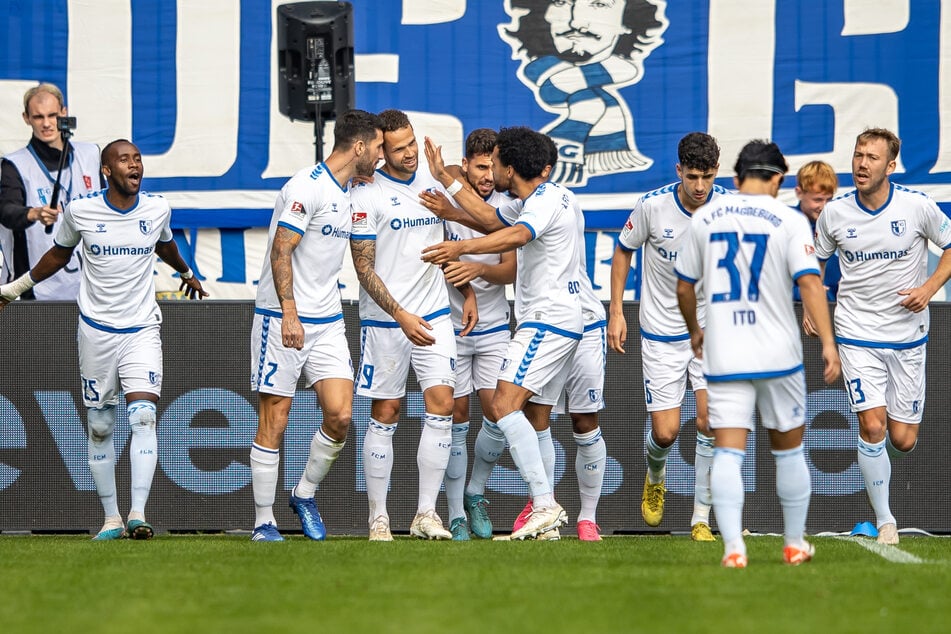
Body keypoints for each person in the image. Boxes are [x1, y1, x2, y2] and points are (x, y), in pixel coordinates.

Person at [0, 139, 207, 540]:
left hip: (142, 328)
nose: (135, 165)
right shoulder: (81, 211)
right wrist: (14, 288)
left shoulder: (156, 208)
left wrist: (185, 272)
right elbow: (58, 255)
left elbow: (164, 244)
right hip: (96, 331)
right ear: (107, 171)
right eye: (124, 160)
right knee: (99, 426)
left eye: (138, 159)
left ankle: (137, 513)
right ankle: (111, 518)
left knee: (143, 417)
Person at [675, 139, 840, 568]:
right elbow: (809, 284)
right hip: (777, 352)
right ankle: (792, 543)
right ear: (780, 179)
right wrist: (827, 342)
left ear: (734, 178)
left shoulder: (704, 218)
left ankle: (733, 548)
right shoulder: (789, 219)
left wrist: (695, 332)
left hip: (725, 350)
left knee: (728, 449)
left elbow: (684, 286)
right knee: (787, 449)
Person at [422, 126, 584, 540]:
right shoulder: (543, 197)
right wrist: (447, 179)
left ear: (510, 169)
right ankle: (520, 505)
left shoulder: (542, 202)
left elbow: (515, 235)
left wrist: (461, 249)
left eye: (496, 163)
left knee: (505, 406)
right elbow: (489, 218)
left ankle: (544, 504)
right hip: (557, 320)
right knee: (521, 414)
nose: (491, 170)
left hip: (547, 319)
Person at [808, 128, 951, 546]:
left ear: (890, 166)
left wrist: (929, 288)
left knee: (903, 439)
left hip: (907, 337)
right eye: (857, 155)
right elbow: (815, 263)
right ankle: (886, 521)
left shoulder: (917, 207)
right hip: (856, 333)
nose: (861, 164)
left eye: (872, 157)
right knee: (872, 426)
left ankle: (885, 499)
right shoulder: (834, 214)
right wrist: (814, 306)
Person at [248, 110, 385, 542]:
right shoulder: (305, 187)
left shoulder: (350, 191)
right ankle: (264, 521)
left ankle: (304, 493)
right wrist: (289, 310)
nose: (382, 155)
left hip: (328, 321)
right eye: (378, 146)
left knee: (341, 415)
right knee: (276, 418)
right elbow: (280, 250)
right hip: (282, 318)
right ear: (359, 146)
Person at [350, 109, 477, 541]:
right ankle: (379, 517)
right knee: (386, 412)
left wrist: (469, 292)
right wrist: (399, 314)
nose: (407, 153)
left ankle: (426, 513)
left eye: (411, 143)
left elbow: (465, 236)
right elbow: (363, 268)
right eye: (397, 147)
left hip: (435, 313)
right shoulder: (365, 194)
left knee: (442, 404)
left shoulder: (432, 181)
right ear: (380, 149)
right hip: (386, 320)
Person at [607, 132, 726, 541]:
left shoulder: (728, 208)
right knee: (665, 433)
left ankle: (700, 518)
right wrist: (617, 310)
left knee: (710, 422)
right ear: (678, 171)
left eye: (707, 177)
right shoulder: (652, 207)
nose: (699, 186)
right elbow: (623, 250)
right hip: (660, 333)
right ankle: (655, 474)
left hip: (711, 334)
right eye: (692, 176)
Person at [436, 128, 516, 541]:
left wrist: (475, 268)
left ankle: (475, 492)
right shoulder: (445, 198)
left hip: (495, 326)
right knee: (456, 416)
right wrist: (465, 288)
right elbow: (436, 257)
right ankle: (454, 515)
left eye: (492, 167)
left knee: (500, 414)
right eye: (479, 166)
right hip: (449, 327)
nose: (487, 175)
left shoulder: (508, 205)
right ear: (465, 165)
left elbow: (511, 269)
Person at [499, 0, 668, 186]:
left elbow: (556, 86)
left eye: (598, 4)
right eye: (561, 2)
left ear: (628, 20)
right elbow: (554, 88)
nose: (574, 22)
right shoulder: (539, 70)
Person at [0, 83, 102, 300]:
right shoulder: (14, 164)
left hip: (90, 287)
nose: (46, 124)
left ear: (64, 113)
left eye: (52, 115)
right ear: (26, 118)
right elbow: (6, 211)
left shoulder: (90, 154)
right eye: (38, 117)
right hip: (38, 288)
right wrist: (34, 213)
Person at [792, 161, 840, 301]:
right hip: (796, 312)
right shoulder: (784, 225)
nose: (824, 207)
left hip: (836, 312)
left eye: (829, 199)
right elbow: (769, 283)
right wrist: (802, 293)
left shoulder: (841, 225)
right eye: (818, 200)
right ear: (799, 193)